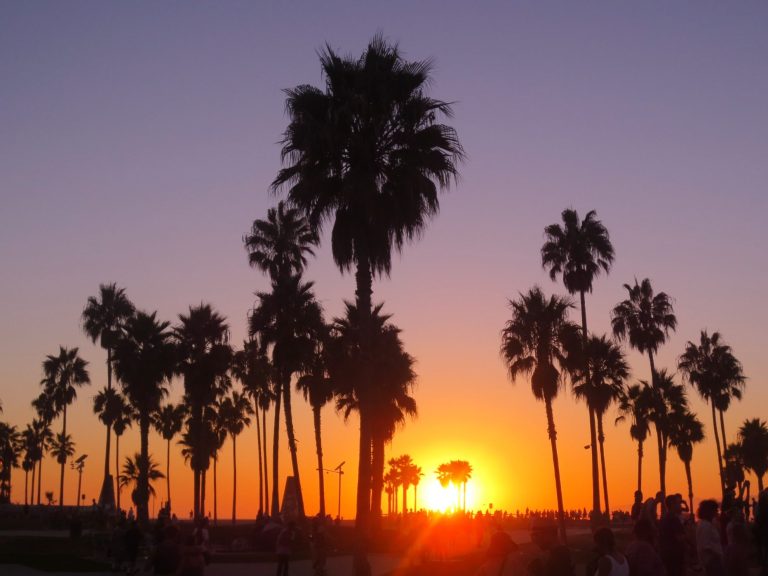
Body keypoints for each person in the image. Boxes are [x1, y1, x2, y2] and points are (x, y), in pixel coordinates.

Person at [658, 494, 686, 576]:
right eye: (678, 503)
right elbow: (680, 537)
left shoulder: (664, 518)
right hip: (675, 556)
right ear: (672, 504)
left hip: (666, 554)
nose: (679, 506)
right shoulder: (673, 519)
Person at [696, 499, 724, 576]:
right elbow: (705, 546)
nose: (717, 512)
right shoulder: (705, 526)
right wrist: (717, 555)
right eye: (715, 510)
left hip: (713, 561)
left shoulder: (708, 524)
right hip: (712, 562)